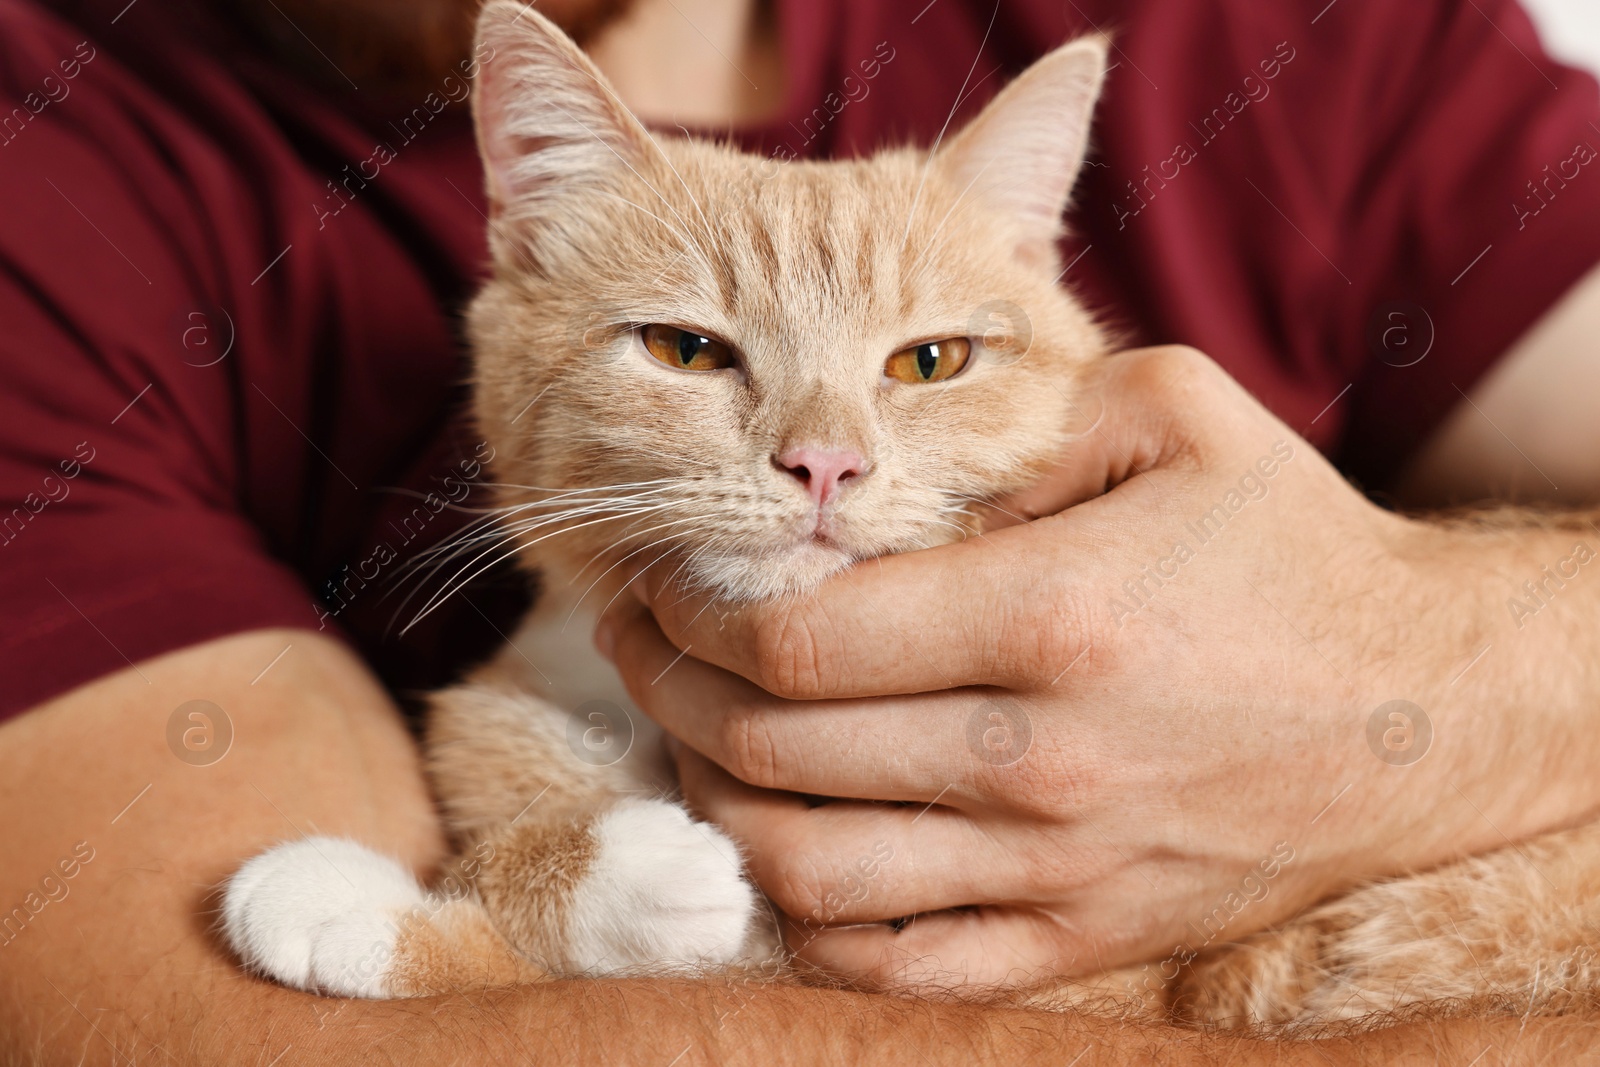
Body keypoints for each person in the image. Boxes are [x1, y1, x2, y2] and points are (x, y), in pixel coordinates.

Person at [2, 0, 1598, 1061]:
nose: (820, 454)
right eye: (696, 350)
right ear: (526, 251)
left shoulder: (1305, 36)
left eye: (927, 363)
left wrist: (1438, 672)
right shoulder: (63, 140)